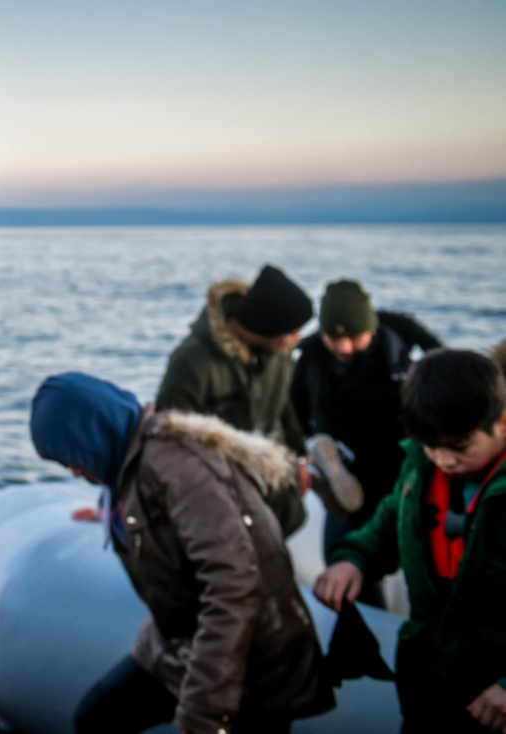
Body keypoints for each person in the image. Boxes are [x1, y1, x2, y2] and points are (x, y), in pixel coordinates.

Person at [31, 373, 332, 734]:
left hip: (253, 657)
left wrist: (205, 710)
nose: (76, 471)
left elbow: (234, 587)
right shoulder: (128, 464)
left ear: (95, 435)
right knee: (96, 718)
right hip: (180, 645)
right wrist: (106, 514)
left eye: (74, 459)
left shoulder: (177, 466)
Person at [315, 350, 506, 734]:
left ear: (502, 422)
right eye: (430, 447)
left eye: (459, 448)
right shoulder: (421, 466)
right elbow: (391, 520)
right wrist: (354, 558)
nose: (443, 460)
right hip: (427, 679)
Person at [291, 280, 441, 606]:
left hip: (398, 461)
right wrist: (301, 453)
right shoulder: (311, 357)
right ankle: (363, 621)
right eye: (335, 338)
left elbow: (445, 368)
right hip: (346, 469)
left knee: (410, 545)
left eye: (354, 339)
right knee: (341, 551)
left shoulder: (397, 340)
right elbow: (293, 412)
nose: (343, 348)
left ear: (371, 329)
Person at [156, 265, 313, 452]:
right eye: (293, 332)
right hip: (214, 472)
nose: (298, 340)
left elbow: (286, 415)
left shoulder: (280, 356)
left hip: (274, 468)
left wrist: (301, 457)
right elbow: (169, 431)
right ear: (269, 328)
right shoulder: (192, 361)